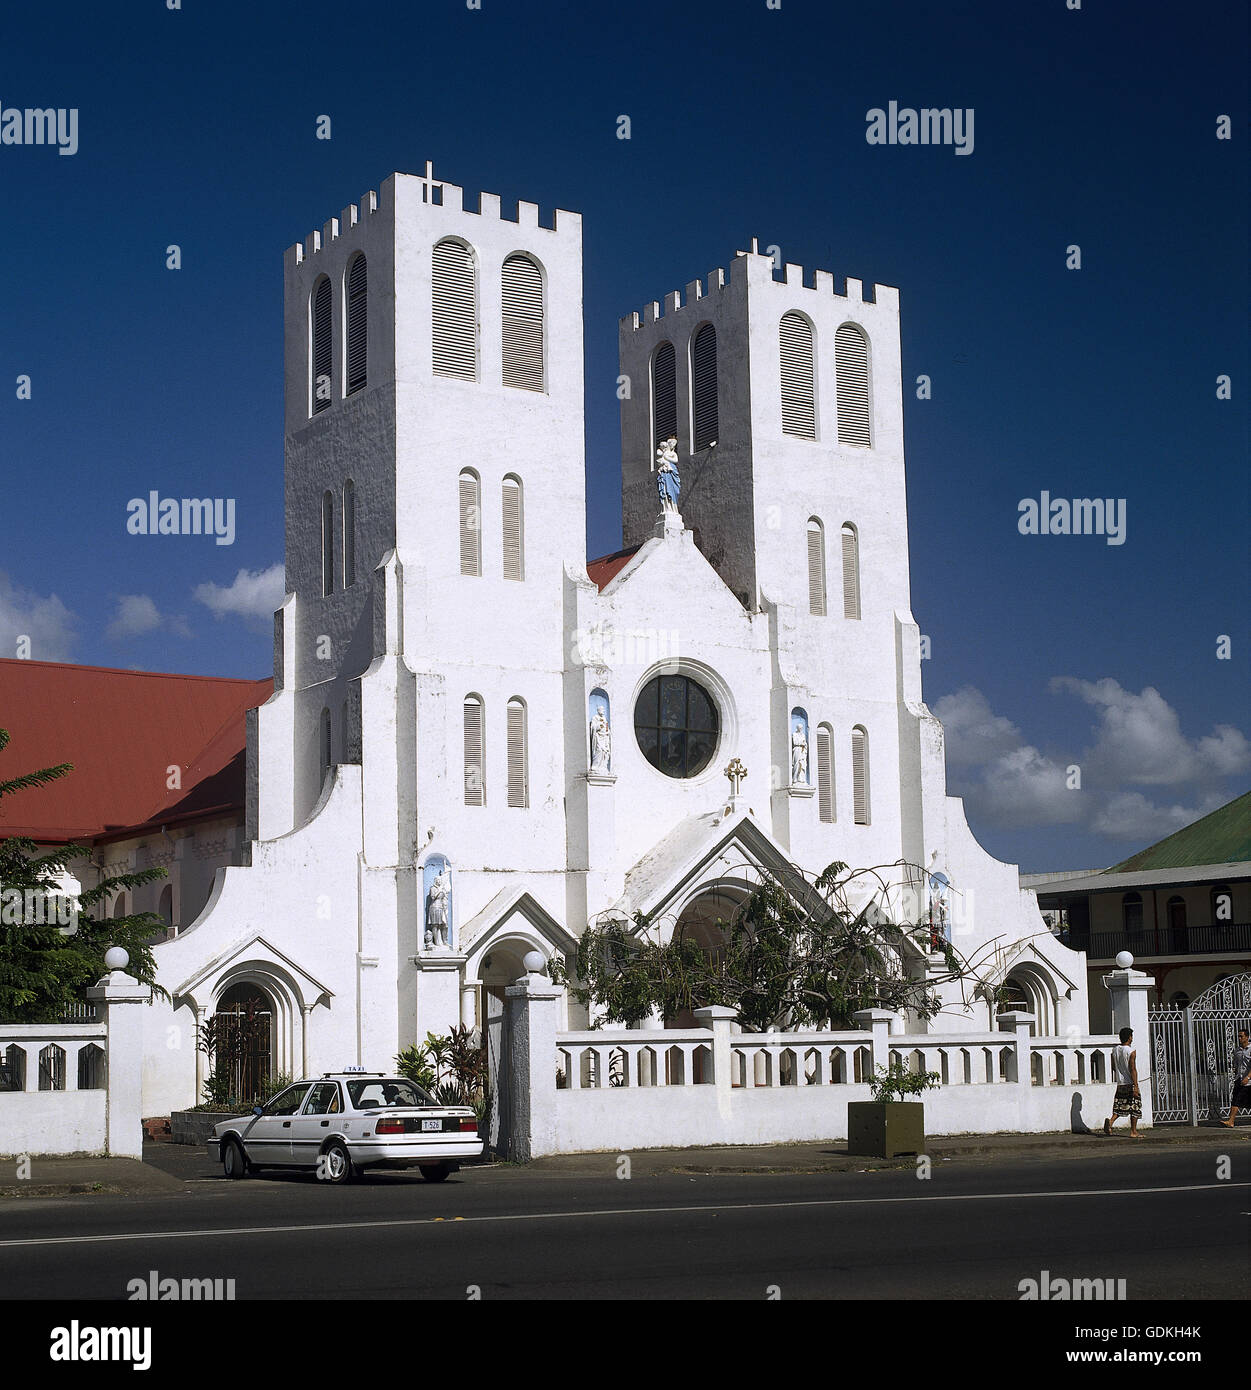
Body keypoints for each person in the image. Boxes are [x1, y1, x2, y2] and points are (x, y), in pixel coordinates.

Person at [1103, 1026, 1141, 1137]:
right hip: (1129, 1083)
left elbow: (1114, 1067)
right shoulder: (1131, 1051)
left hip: (1120, 1083)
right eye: (1131, 1036)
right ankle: (1133, 1131)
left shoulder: (1115, 1050)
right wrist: (1136, 1085)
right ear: (1129, 1037)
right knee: (1135, 1106)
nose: (1132, 1038)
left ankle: (1110, 1122)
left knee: (1120, 1105)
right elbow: (1132, 1069)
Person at [1220, 1028, 1251, 1127]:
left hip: (1248, 1081)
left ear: (1247, 1037)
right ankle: (1231, 1121)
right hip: (1239, 1079)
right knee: (1235, 1100)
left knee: (1237, 1100)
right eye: (1238, 1036)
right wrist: (1235, 1071)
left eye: (1241, 1036)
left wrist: (1248, 1077)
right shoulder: (1237, 1050)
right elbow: (1237, 1064)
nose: (1239, 1038)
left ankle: (1231, 1121)